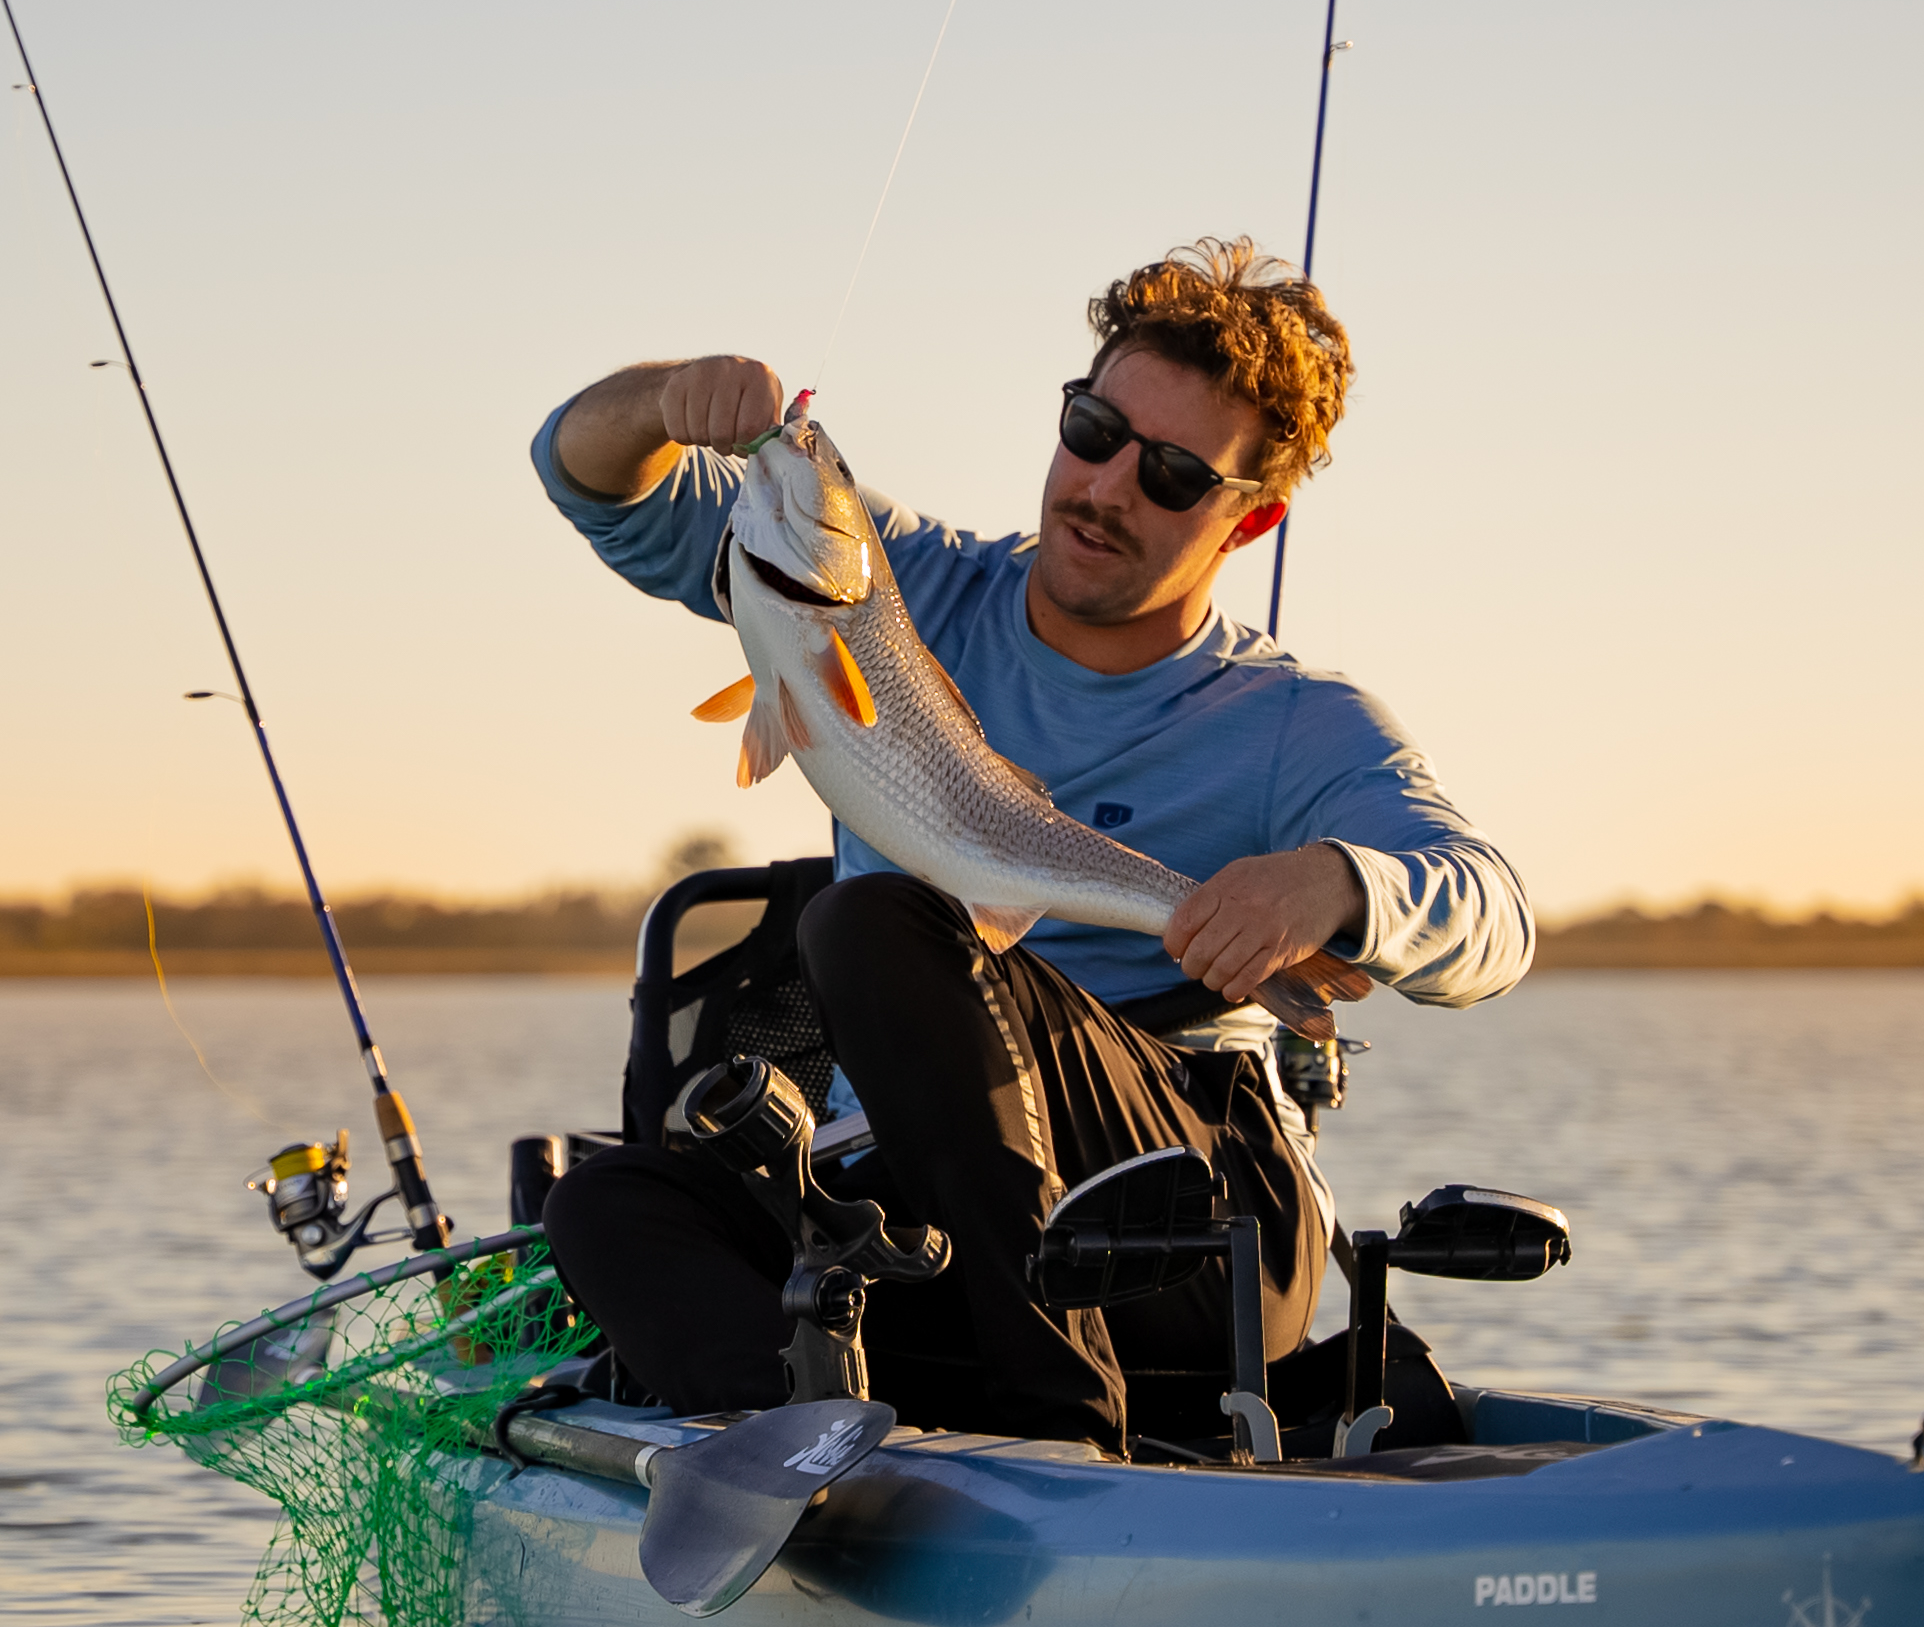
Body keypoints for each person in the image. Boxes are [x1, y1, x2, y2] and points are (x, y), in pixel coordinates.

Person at [532, 238, 1530, 1453]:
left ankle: (1066, 1441)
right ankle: (806, 1454)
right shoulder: (885, 577)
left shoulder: (1291, 722)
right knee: (608, 1205)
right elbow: (587, 474)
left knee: (867, 921)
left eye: (1171, 474)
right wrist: (662, 400)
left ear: (1250, 518)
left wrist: (1331, 882)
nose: (1106, 486)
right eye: (1092, 430)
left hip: (1188, 1229)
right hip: (918, 1218)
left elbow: (1493, 917)